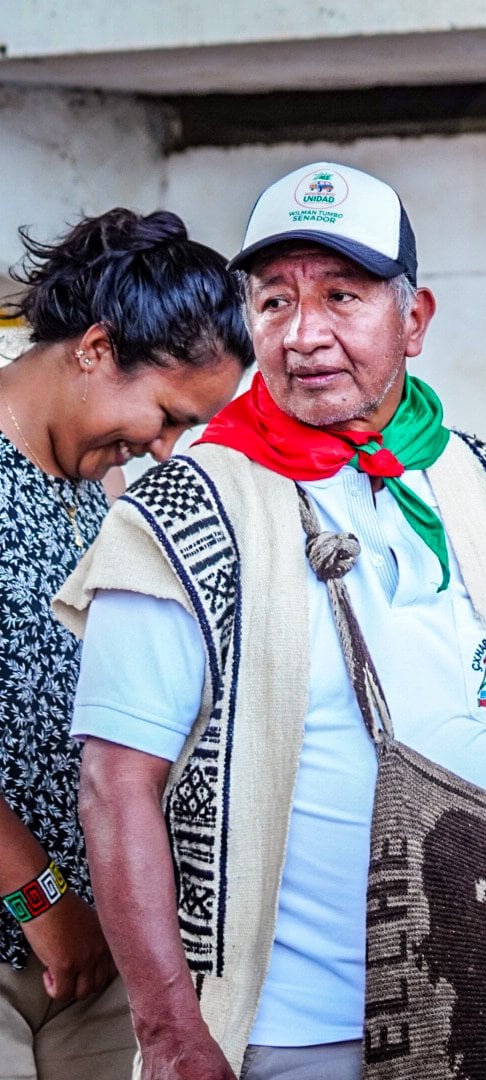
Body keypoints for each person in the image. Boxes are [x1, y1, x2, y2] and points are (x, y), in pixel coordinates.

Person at [56, 162, 486, 1080]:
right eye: (275, 301)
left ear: (415, 319)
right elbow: (114, 787)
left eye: (342, 296)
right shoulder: (178, 516)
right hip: (286, 1033)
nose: (306, 335)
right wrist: (173, 1036)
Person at [0, 209, 250, 1080]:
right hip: (39, 926)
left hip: (90, 947)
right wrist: (41, 900)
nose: (163, 447)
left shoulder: (88, 485)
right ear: (99, 348)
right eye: (167, 414)